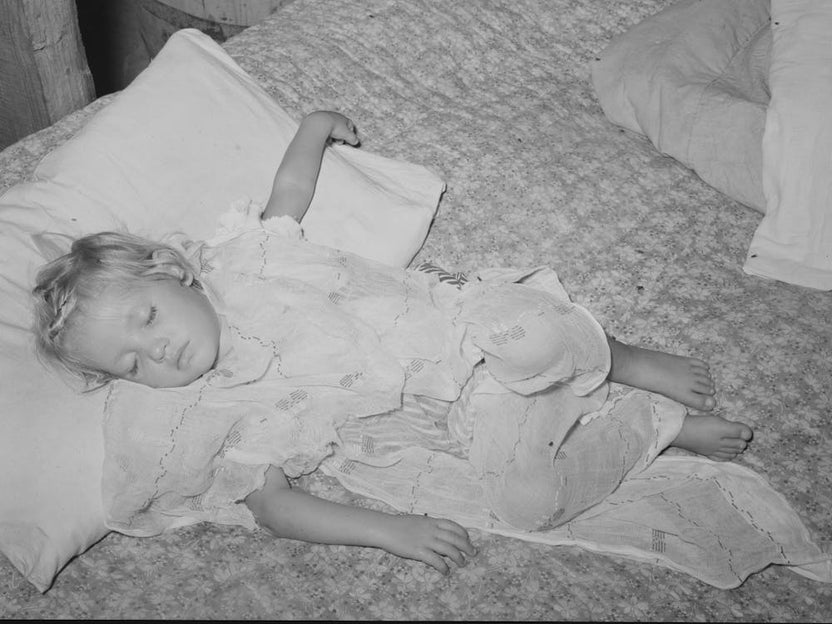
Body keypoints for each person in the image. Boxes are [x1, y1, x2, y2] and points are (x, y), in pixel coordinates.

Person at [32, 111, 753, 576]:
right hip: (459, 415)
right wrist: (388, 531)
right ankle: (650, 426)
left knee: (532, 337)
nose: (156, 356)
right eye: (130, 364)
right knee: (531, 504)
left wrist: (312, 129)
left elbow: (288, 192)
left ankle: (623, 360)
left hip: (466, 328)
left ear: (174, 274)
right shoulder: (227, 414)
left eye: (148, 321)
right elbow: (277, 508)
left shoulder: (248, 259)